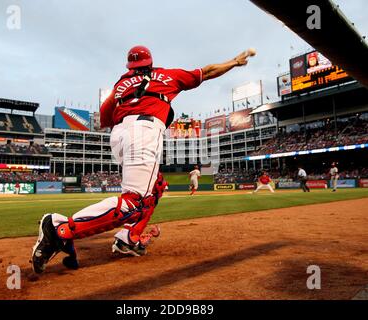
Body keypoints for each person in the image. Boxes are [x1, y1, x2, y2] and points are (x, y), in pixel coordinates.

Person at [31, 45, 254, 274]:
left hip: (119, 135)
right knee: (133, 204)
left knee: (156, 185)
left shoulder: (120, 84)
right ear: (150, 62)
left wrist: (131, 100)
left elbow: (105, 119)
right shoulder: (166, 75)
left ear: (130, 66)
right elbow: (207, 72)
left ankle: (129, 237)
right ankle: (60, 228)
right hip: (144, 131)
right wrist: (234, 62)